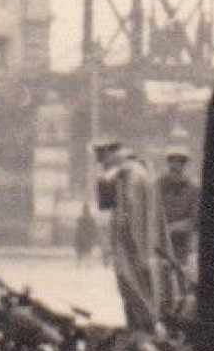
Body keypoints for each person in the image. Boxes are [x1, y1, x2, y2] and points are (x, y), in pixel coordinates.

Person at [94, 139, 171, 332]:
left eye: (102, 159)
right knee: (135, 292)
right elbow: (106, 203)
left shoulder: (132, 175)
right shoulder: (131, 172)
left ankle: (146, 332)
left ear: (112, 154)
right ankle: (143, 330)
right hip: (135, 247)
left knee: (133, 288)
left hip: (132, 248)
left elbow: (130, 215)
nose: (101, 165)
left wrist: (132, 249)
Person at [157, 150, 199, 266]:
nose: (175, 165)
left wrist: (175, 227)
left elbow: (195, 219)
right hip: (159, 240)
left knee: (179, 270)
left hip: (181, 241)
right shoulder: (159, 185)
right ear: (168, 163)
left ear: (183, 165)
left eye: (180, 162)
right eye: (172, 162)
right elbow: (152, 212)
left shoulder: (192, 188)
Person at [73, 201, 98, 266]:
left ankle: (83, 263)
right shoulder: (85, 219)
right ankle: (83, 263)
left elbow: (78, 230)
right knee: (84, 251)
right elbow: (78, 230)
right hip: (85, 238)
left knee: (84, 251)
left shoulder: (83, 219)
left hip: (84, 238)